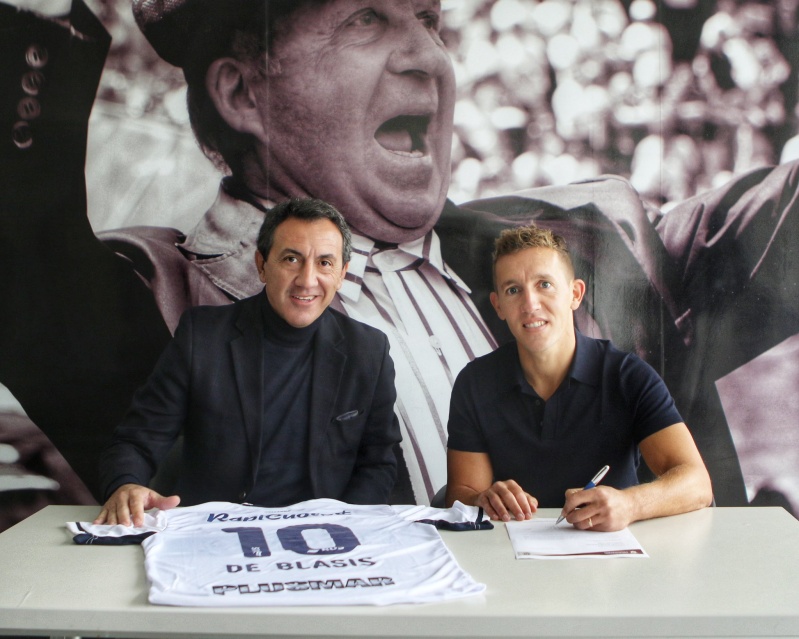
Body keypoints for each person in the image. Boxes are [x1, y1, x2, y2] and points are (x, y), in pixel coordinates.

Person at [1, 0, 798, 512]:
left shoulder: (594, 238)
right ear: (243, 94)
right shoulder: (151, 301)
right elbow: (21, 243)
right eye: (366, 20)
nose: (428, 56)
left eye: (428, 18)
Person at [95, 197, 401, 527]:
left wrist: (346, 523)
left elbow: (378, 461)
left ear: (341, 274)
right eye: (291, 259)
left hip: (322, 534)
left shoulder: (368, 351)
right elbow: (138, 439)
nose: (307, 280)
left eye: (325, 263)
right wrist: (125, 484)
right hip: (217, 530)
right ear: (261, 264)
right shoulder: (203, 336)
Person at [446, 225, 713, 530]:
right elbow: (459, 494)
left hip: (611, 551)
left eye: (544, 284)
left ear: (575, 294)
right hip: (508, 548)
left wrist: (630, 504)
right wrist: (482, 498)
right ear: (499, 306)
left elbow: (697, 484)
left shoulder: (627, 376)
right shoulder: (475, 383)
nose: (530, 304)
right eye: (513, 290)